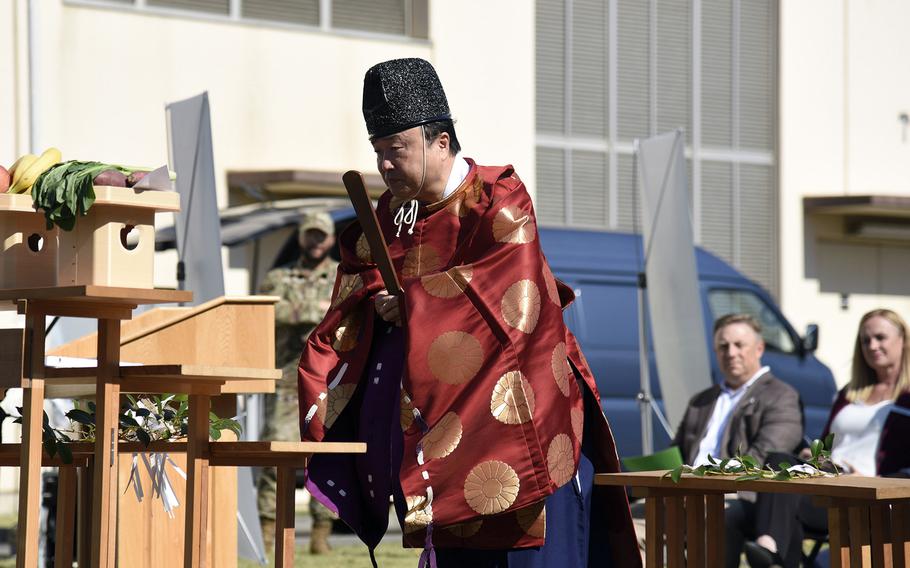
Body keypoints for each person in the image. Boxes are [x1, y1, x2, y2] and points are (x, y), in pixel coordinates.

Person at [296, 58, 640, 567]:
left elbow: (512, 291)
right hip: (440, 437)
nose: (386, 165)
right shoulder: (390, 219)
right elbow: (353, 300)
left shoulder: (500, 199)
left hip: (523, 426)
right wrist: (375, 311)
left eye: (398, 149)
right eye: (378, 152)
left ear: (441, 142)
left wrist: (412, 302)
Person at [744, 309, 910, 568]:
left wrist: (872, 481)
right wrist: (816, 455)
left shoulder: (907, 398)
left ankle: (773, 556)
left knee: (787, 499)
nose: (872, 346)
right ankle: (769, 548)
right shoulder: (850, 393)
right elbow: (827, 443)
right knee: (778, 461)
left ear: (903, 340)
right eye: (865, 340)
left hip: (873, 496)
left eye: (880, 337)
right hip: (829, 480)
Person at [672, 313, 803, 568]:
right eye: (723, 346)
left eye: (739, 345)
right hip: (682, 494)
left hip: (738, 497)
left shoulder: (781, 396)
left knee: (712, 518)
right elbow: (676, 453)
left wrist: (704, 488)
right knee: (631, 521)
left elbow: (765, 457)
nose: (731, 353)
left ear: (759, 348)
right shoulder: (702, 400)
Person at [257, 210, 339, 553]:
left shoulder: (341, 274)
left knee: (324, 456)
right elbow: (269, 313)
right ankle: (268, 533)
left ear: (332, 239)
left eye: (321, 235)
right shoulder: (277, 277)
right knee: (276, 452)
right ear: (301, 237)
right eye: (310, 235)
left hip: (329, 380)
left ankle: (321, 534)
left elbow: (344, 313)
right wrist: (316, 310)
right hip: (288, 380)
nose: (315, 242)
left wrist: (300, 310)